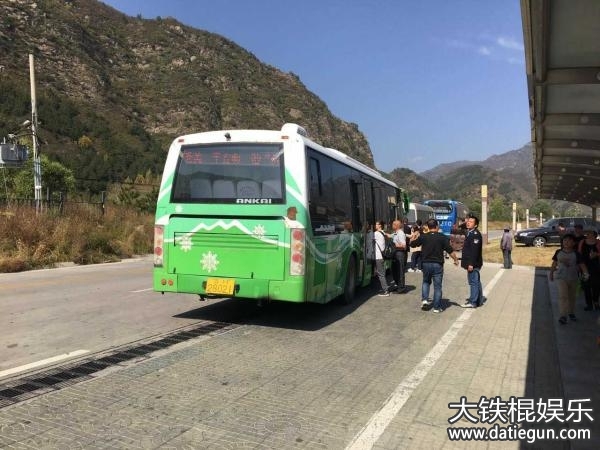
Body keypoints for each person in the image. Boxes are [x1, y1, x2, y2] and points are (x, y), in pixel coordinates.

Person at [409, 218, 459, 313]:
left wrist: (413, 237)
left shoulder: (423, 236)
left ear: (428, 227)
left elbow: (412, 244)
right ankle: (436, 307)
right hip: (438, 264)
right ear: (437, 226)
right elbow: (450, 251)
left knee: (426, 282)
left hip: (426, 264)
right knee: (437, 286)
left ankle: (424, 300)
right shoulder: (442, 237)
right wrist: (456, 260)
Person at [550, 234, 589, 324]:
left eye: (569, 240)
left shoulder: (576, 254)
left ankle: (571, 313)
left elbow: (582, 265)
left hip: (573, 278)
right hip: (561, 278)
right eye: (565, 240)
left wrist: (586, 274)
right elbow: (554, 263)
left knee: (571, 297)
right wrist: (551, 273)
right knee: (563, 296)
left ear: (574, 243)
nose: (566, 242)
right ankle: (563, 315)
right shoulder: (558, 252)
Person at [460, 215, 484, 308]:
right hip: (471, 262)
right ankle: (478, 300)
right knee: (476, 281)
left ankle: (473, 302)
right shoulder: (470, 232)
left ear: (476, 225)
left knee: (473, 282)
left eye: (471, 222)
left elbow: (475, 251)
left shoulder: (475, 235)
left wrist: (471, 264)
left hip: (473, 263)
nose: (468, 223)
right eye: (468, 221)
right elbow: (461, 227)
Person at [578, 229, 600, 311]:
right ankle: (589, 304)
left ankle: (596, 302)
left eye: (590, 233)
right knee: (586, 286)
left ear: (595, 234)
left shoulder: (598, 242)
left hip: (596, 268)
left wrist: (596, 254)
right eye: (588, 233)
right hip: (584, 267)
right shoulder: (582, 242)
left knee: (596, 286)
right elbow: (579, 253)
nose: (588, 234)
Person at [374, 220, 392, 296]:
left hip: (378, 256)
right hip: (382, 256)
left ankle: (385, 291)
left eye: (377, 224)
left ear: (380, 225)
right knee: (381, 273)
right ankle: (384, 288)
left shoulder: (376, 233)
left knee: (381, 274)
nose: (375, 225)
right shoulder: (383, 232)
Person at [391, 219, 407, 293]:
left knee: (400, 271)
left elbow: (403, 246)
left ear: (396, 226)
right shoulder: (396, 233)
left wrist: (394, 245)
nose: (392, 225)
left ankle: (401, 288)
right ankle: (398, 285)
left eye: (393, 224)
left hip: (400, 253)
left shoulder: (400, 233)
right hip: (395, 253)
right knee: (395, 271)